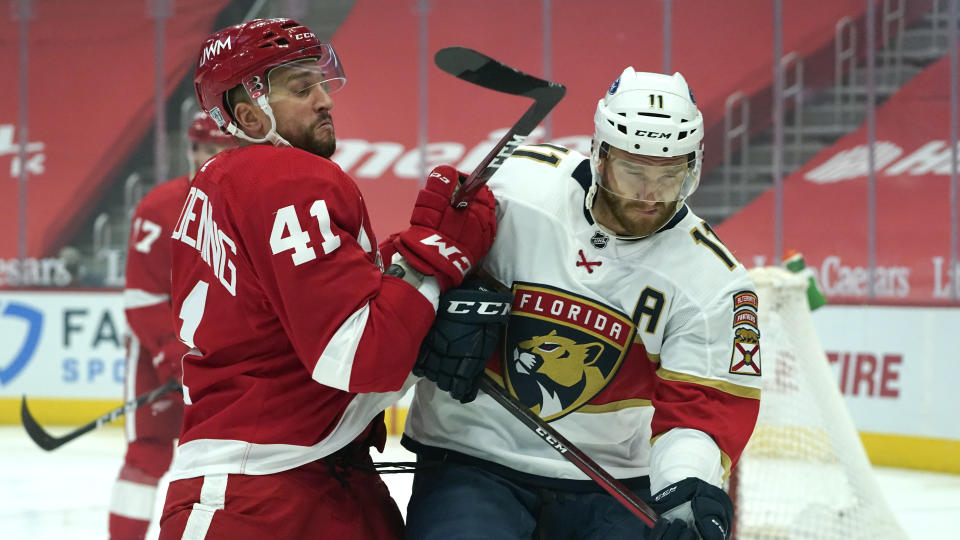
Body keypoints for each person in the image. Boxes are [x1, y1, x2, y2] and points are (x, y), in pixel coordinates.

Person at [157, 18, 497, 540]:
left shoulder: (224, 184)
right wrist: (433, 254)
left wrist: (396, 262)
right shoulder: (287, 176)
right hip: (263, 496)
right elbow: (360, 358)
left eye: (320, 82)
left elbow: (308, 305)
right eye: (301, 88)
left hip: (305, 476)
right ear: (248, 115)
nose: (325, 100)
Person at [402, 68, 763, 540]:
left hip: (609, 483)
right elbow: (415, 291)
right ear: (600, 153)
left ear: (691, 166)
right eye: (634, 172)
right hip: (472, 456)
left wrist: (685, 489)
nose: (650, 194)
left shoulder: (714, 281)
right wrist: (427, 314)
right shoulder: (515, 189)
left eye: (669, 174)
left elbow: (702, 413)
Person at [109, 111, 235, 540]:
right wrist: (173, 355)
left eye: (219, 148)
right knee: (146, 455)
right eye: (201, 147)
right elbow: (141, 299)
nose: (207, 157)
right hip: (159, 355)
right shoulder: (158, 207)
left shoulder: (251, 206)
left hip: (225, 359)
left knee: (226, 462)